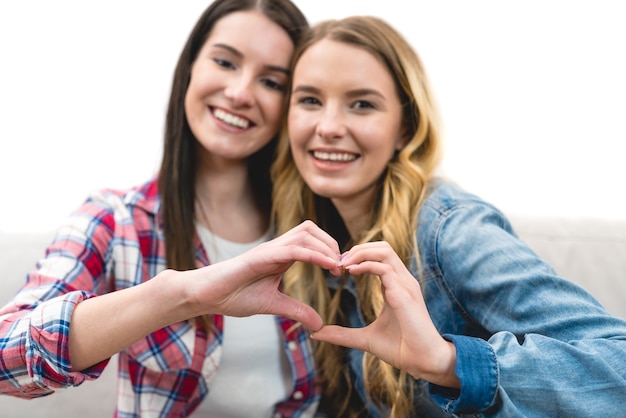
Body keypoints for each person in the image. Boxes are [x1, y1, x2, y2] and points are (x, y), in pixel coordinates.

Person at [271, 15, 626, 417]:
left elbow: (619, 368)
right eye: (310, 100)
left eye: (362, 104)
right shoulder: (313, 239)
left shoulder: (452, 230)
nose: (329, 126)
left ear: (404, 128)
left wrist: (446, 361)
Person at [0, 1, 343, 417]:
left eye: (272, 82)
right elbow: (5, 358)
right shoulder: (117, 219)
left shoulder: (315, 225)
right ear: (191, 68)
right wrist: (177, 296)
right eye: (225, 62)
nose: (240, 93)